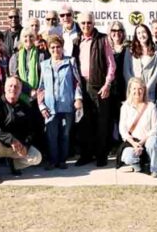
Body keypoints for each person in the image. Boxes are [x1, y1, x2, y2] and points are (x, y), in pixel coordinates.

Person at [72, 12, 116, 167]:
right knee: (85, 122)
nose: (86, 25)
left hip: (99, 86)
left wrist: (107, 84)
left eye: (89, 22)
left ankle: (101, 155)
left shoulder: (103, 39)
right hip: (82, 86)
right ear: (79, 24)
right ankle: (86, 155)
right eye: (83, 23)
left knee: (101, 122)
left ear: (93, 23)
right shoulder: (76, 41)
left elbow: (111, 65)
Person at [0, 77, 42, 184]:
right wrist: (10, 139)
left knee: (37, 157)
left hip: (17, 148)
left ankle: (14, 164)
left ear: (20, 91)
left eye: (16, 87)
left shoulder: (25, 107)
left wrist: (25, 145)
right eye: (10, 86)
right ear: (5, 88)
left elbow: (31, 131)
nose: (13, 88)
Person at [38, 35, 83, 169]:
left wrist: (78, 98)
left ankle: (62, 160)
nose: (55, 50)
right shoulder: (44, 65)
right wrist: (41, 106)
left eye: (58, 47)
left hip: (67, 105)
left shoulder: (70, 62)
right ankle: (53, 161)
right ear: (48, 48)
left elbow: (77, 83)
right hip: (50, 107)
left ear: (62, 48)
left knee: (65, 134)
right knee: (51, 135)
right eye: (52, 47)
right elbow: (41, 87)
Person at [118, 78, 157, 177]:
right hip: (133, 142)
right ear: (130, 90)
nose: (137, 91)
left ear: (144, 90)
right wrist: (134, 144)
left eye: (140, 88)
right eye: (134, 88)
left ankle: (154, 169)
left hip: (147, 140)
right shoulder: (125, 107)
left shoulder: (151, 106)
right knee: (127, 157)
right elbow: (123, 130)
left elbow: (155, 128)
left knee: (153, 142)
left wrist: (141, 143)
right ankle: (139, 166)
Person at [124, 23, 157, 101]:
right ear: (136, 36)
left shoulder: (156, 52)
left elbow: (156, 74)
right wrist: (134, 87)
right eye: (138, 33)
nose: (141, 35)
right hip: (133, 92)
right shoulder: (129, 50)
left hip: (149, 92)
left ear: (148, 33)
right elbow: (126, 71)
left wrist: (146, 89)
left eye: (143, 32)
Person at [9, 28, 47, 103]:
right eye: (25, 36)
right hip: (20, 95)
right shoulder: (15, 57)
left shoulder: (41, 55)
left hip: (39, 95)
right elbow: (14, 77)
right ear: (21, 39)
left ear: (35, 38)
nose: (28, 39)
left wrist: (39, 91)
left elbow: (45, 76)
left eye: (31, 36)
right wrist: (29, 90)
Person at [108, 21, 129, 141]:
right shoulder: (106, 47)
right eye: (114, 30)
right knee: (110, 117)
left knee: (123, 116)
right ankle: (112, 143)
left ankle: (123, 142)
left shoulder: (128, 48)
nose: (117, 33)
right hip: (110, 87)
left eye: (119, 30)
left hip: (124, 87)